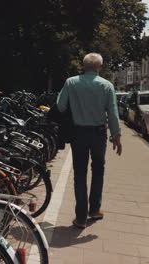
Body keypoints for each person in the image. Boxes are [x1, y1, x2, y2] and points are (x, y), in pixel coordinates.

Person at [56, 53, 122, 229]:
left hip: (78, 133)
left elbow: (61, 106)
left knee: (79, 174)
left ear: (83, 66)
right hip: (99, 133)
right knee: (98, 170)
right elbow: (113, 113)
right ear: (99, 67)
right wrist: (116, 135)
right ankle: (94, 209)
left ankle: (80, 218)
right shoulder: (107, 85)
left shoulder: (71, 82)